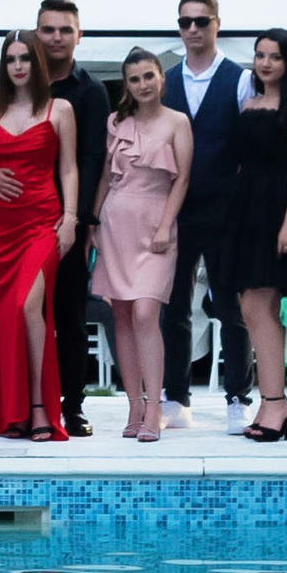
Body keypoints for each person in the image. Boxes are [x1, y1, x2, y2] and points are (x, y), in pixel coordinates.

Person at [0, 30, 78, 440]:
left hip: (42, 224)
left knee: (28, 306)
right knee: (8, 315)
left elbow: (69, 168)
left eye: (25, 59)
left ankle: (39, 408)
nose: (18, 66)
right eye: (11, 59)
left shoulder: (59, 108)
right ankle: (12, 412)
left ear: (37, 63)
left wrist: (69, 219)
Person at [158, 0, 254, 431]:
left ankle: (239, 395)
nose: (193, 29)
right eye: (185, 22)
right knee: (173, 305)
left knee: (231, 305)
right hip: (174, 210)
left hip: (225, 210)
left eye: (201, 21)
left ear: (218, 24)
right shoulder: (163, 81)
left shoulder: (240, 79)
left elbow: (252, 145)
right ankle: (175, 397)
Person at [225, 30, 287, 442]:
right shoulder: (248, 103)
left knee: (262, 305)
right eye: (260, 55)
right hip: (246, 210)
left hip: (278, 209)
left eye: (275, 56)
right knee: (250, 307)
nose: (266, 63)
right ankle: (271, 401)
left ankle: (276, 403)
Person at [90, 48, 193, 441]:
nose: (142, 85)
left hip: (156, 223)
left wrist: (167, 225)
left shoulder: (178, 121)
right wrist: (93, 223)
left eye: (148, 76)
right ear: (127, 84)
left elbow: (181, 178)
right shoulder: (116, 121)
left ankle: (155, 405)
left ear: (161, 79)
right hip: (116, 220)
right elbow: (104, 176)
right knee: (120, 316)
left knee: (147, 313)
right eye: (134, 79)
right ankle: (133, 404)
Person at [35, 0, 109, 435]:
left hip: (68, 222)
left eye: (65, 29)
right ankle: (30, 403)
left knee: (69, 315)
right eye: (48, 29)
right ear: (37, 32)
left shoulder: (91, 91)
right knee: (24, 313)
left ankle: (73, 405)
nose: (57, 37)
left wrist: (82, 221)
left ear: (79, 36)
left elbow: (93, 157)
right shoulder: (18, 79)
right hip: (18, 219)